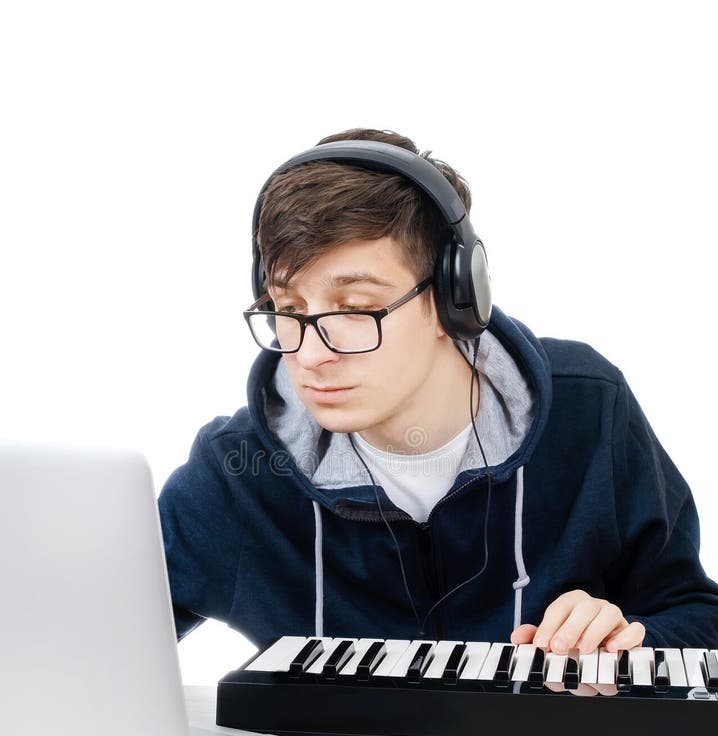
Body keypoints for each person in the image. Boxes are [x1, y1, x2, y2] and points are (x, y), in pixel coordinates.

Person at [158, 127, 718, 669]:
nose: (309, 355)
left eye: (354, 310)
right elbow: (96, 637)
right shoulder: (234, 472)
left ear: (456, 300)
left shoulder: (589, 411)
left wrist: (629, 638)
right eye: (290, 310)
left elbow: (699, 618)